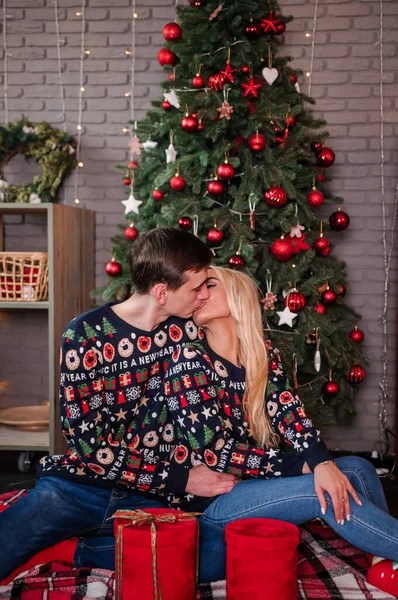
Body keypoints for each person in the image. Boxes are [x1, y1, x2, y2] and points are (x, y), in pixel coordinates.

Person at [0, 228, 236, 581]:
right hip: (79, 488)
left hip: (152, 496)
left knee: (217, 554)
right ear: (161, 292)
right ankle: (77, 533)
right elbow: (91, 449)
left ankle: (74, 550)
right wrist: (184, 479)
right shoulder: (84, 335)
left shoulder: (187, 331)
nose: (205, 295)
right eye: (197, 287)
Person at [161, 266, 398, 583]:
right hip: (207, 505)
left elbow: (290, 413)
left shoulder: (261, 355)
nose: (199, 294)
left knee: (356, 467)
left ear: (237, 296)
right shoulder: (188, 358)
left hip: (247, 487)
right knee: (321, 490)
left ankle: (384, 561)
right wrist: (308, 469)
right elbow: (215, 453)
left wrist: (321, 461)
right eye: (197, 287)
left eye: (210, 285)